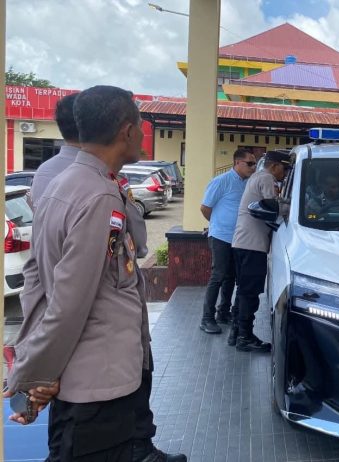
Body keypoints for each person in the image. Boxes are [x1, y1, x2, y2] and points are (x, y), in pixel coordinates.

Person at [5, 86, 185, 462]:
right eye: (140, 125)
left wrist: (36, 366)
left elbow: (37, 281)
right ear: (126, 131)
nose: (142, 133)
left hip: (89, 376)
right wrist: (35, 375)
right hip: (98, 381)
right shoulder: (99, 196)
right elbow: (69, 304)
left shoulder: (65, 185)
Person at [230, 150, 291, 351]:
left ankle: (236, 333)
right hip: (253, 245)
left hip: (241, 242)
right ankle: (245, 337)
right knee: (250, 293)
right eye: (284, 168)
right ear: (274, 166)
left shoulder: (255, 177)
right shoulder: (266, 178)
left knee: (243, 290)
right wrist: (294, 206)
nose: (285, 173)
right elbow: (273, 207)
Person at [199, 148, 257, 335]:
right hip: (220, 237)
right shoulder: (221, 181)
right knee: (218, 276)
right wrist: (217, 225)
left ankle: (223, 313)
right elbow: (205, 207)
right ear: (237, 163)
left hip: (238, 238)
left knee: (231, 276)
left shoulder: (247, 183)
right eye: (250, 163)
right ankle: (206, 318)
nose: (253, 167)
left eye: (254, 164)